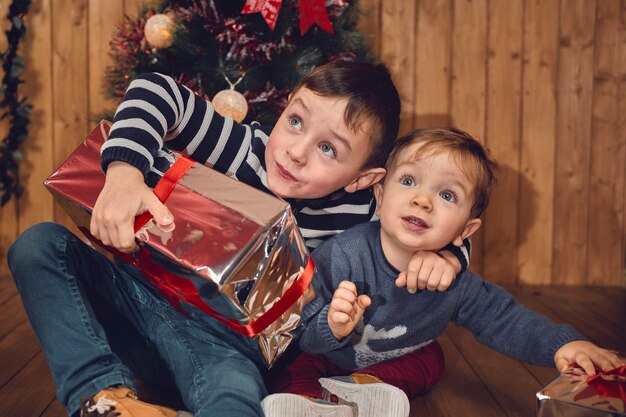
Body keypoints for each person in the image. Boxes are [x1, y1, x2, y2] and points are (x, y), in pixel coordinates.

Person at [9, 63, 469, 417]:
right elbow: (156, 89)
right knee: (39, 246)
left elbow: (435, 212)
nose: (296, 151)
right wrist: (125, 173)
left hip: (223, 348)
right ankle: (103, 397)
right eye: (295, 122)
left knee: (236, 403)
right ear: (284, 108)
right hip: (136, 300)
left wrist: (449, 255)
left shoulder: (358, 209)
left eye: (329, 149)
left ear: (363, 179)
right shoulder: (244, 150)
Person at [261, 128, 625, 417]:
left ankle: (363, 387)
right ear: (380, 193)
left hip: (396, 357)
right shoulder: (343, 255)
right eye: (408, 181)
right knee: (296, 363)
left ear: (466, 230)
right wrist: (332, 323)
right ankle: (305, 401)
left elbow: (505, 319)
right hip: (327, 353)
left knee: (433, 359)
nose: (423, 200)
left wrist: (563, 344)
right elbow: (303, 332)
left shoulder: (453, 281)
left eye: (447, 195)